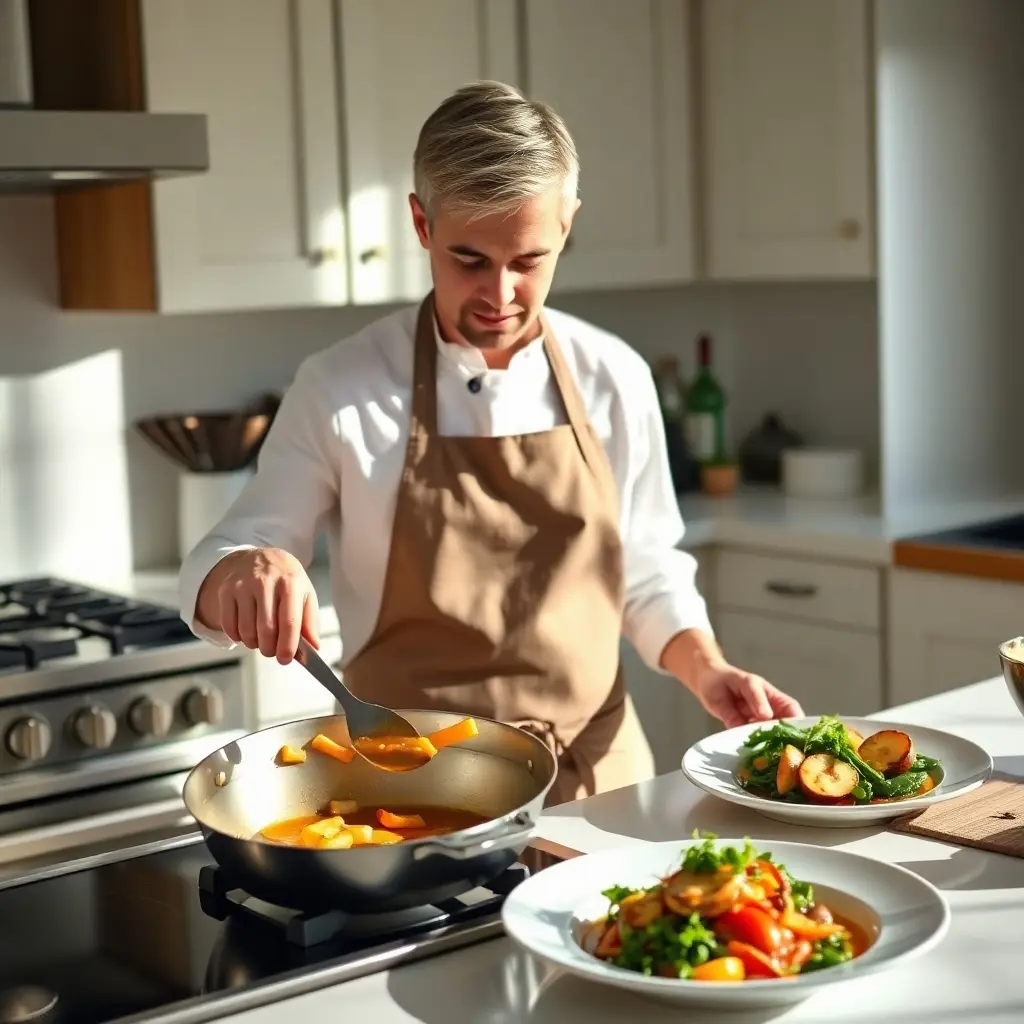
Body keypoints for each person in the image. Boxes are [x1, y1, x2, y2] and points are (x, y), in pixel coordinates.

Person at [178, 80, 803, 806]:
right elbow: (222, 556)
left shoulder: (614, 377)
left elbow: (645, 568)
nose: (499, 294)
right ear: (421, 223)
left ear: (567, 224)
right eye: (469, 258)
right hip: (410, 791)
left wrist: (709, 670)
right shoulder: (340, 386)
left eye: (528, 260)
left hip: (597, 783)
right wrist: (248, 570)